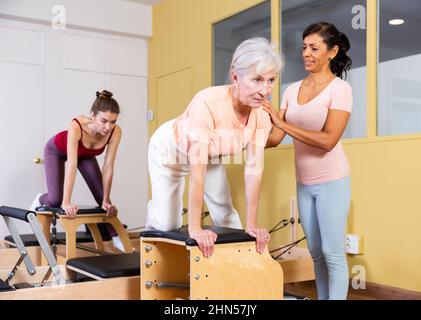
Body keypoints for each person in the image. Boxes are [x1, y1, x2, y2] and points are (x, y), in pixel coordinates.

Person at [146, 37, 283, 258]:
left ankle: (237, 271)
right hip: (169, 152)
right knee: (167, 223)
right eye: (257, 80)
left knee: (228, 216)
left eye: (271, 80)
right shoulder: (208, 103)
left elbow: (254, 171)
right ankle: (155, 209)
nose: (265, 91)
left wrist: (252, 225)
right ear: (236, 77)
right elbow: (196, 173)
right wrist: (195, 229)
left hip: (210, 156)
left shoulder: (262, 116)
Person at [262, 22, 353, 300]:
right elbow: (275, 137)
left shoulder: (340, 89)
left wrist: (283, 123)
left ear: (332, 51)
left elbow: (328, 140)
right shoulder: (291, 90)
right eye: (304, 47)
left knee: (332, 252)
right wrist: (233, 139)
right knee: (315, 253)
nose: (307, 53)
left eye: (315, 48)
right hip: (304, 182)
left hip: (332, 181)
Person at [30, 90, 124, 251]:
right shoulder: (77, 125)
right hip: (57, 151)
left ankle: (116, 237)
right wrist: (66, 202)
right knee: (55, 201)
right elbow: (72, 164)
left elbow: (108, 165)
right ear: (93, 116)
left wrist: (106, 199)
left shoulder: (116, 132)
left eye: (113, 121)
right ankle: (40, 199)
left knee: (104, 200)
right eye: (104, 121)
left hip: (85, 155)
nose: (108, 127)